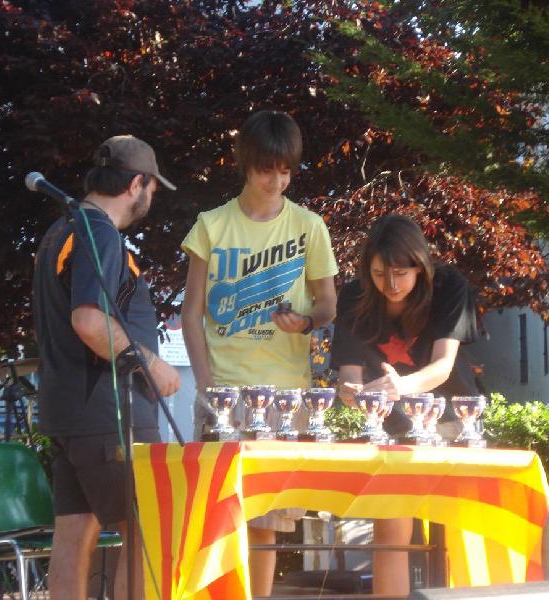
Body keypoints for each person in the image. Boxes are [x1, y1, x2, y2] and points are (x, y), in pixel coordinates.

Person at [181, 110, 338, 596]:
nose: (278, 180)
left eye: (287, 170)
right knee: (214, 520)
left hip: (285, 395)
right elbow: (191, 312)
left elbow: (329, 302)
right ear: (245, 165)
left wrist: (308, 320)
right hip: (224, 389)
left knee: (266, 523)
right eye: (268, 169)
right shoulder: (211, 225)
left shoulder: (310, 226)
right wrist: (206, 382)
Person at [33, 135, 182, 600]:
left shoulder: (63, 231)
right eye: (153, 188)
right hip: (108, 416)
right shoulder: (99, 231)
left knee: (74, 535)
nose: (151, 198)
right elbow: (89, 320)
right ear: (136, 183)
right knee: (146, 530)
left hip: (69, 413)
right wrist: (153, 365)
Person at [330, 214, 479, 596]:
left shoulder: (449, 286)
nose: (391, 285)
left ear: (420, 267)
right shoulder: (352, 296)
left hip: (453, 422)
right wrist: (351, 394)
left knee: (461, 537)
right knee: (391, 534)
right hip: (390, 430)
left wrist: (402, 386)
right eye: (380, 274)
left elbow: (443, 367)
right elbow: (349, 377)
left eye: (401, 273)